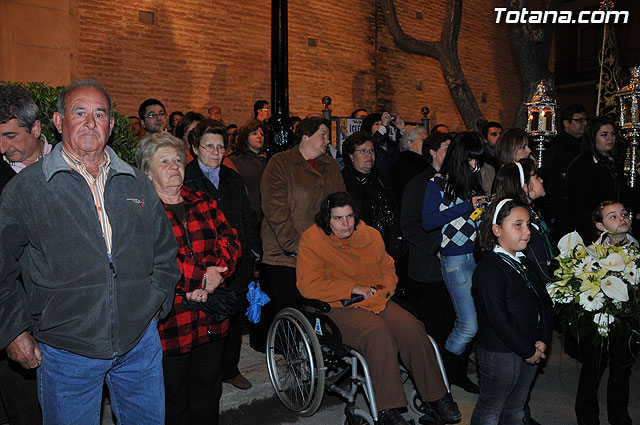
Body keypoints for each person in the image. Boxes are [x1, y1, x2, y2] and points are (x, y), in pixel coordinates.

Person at [0, 79, 181, 423]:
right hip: (67, 350)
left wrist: (156, 302)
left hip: (139, 346)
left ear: (111, 126)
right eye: (79, 112)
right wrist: (12, 330)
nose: (90, 122)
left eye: (100, 114)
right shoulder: (27, 189)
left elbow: (164, 252)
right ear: (58, 122)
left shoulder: (135, 181)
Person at [297, 191, 461, 425]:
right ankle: (388, 409)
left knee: (412, 327)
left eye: (350, 217)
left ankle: (437, 397)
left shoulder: (370, 235)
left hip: (376, 299)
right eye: (338, 218)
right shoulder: (312, 239)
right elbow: (308, 285)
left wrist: (384, 289)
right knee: (378, 333)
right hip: (336, 306)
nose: (346, 224)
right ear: (326, 219)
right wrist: (352, 288)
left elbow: (388, 268)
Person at [136, 132, 241, 424]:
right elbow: (155, 259)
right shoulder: (141, 210)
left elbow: (231, 240)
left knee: (208, 393)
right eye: (165, 161)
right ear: (147, 171)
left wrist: (217, 274)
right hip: (171, 320)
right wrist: (201, 279)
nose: (175, 166)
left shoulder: (203, 201)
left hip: (211, 317)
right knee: (173, 398)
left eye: (179, 160)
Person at [184, 120, 262, 391]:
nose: (216, 152)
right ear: (195, 148)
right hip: (203, 265)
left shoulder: (233, 178)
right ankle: (205, 375)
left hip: (236, 261)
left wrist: (253, 253)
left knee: (233, 317)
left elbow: (247, 217)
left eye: (220, 147)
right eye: (209, 146)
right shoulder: (185, 178)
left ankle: (230, 369)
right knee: (204, 320)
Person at [471, 198, 553, 424]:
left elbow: (544, 303)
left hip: (531, 346)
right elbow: (498, 317)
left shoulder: (525, 261)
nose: (527, 231)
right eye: (518, 225)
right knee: (491, 409)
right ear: (497, 229)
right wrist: (527, 349)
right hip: (501, 352)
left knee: (516, 406)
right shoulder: (489, 269)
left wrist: (543, 339)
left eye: (528, 224)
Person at [422, 131, 487, 393]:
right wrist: (467, 206)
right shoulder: (437, 183)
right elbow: (428, 222)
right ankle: (441, 378)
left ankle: (455, 374)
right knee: (468, 324)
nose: (475, 164)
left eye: (477, 160)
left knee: (474, 323)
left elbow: (476, 219)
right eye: (471, 159)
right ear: (461, 157)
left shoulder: (474, 181)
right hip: (455, 258)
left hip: (478, 256)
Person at [260, 116, 345, 314]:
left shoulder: (331, 165)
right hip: (285, 255)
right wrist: (295, 245)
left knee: (319, 309)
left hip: (323, 251)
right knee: (290, 311)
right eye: (322, 135)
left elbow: (342, 202)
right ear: (306, 135)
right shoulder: (281, 162)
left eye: (328, 136)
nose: (327, 141)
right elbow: (275, 208)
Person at [0, 84, 47, 424]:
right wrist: (13, 329)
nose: (3, 147)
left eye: (11, 136)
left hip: (69, 324)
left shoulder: (72, 163)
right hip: (13, 320)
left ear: (37, 128)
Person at [573, 200, 639, 425]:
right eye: (613, 216)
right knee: (592, 370)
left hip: (627, 323)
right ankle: (587, 416)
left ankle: (619, 415)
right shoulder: (591, 253)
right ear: (600, 226)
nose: (622, 218)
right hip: (599, 322)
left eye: (624, 213)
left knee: (622, 371)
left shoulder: (637, 248)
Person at [400, 131, 454, 349]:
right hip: (428, 267)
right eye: (446, 147)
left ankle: (451, 372)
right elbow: (409, 226)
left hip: (456, 264)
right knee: (432, 326)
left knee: (452, 322)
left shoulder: (455, 181)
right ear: (432, 152)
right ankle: (433, 373)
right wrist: (436, 248)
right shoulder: (418, 184)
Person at [566, 116, 628, 244]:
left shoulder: (612, 162)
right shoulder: (582, 165)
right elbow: (581, 203)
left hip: (613, 226)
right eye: (604, 135)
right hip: (593, 231)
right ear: (593, 138)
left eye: (613, 134)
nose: (610, 138)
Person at [341, 131, 403, 258]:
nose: (369, 155)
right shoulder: (344, 180)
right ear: (351, 155)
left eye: (371, 150)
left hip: (387, 245)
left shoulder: (380, 177)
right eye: (363, 151)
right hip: (359, 247)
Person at [495, 159, 558, 282]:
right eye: (536, 177)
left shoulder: (531, 214)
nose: (541, 180)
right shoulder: (523, 226)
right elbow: (538, 269)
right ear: (525, 187)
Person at [229, 119, 267, 223]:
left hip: (266, 216)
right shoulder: (235, 161)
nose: (259, 136)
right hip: (247, 216)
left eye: (262, 134)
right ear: (245, 137)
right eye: (254, 133)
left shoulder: (268, 161)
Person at [388, 125, 428, 204]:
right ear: (410, 143)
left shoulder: (425, 163)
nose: (427, 144)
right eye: (422, 140)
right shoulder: (402, 166)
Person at [360, 112, 405, 176]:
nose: (380, 126)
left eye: (381, 123)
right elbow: (373, 143)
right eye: (377, 124)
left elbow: (406, 149)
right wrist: (383, 126)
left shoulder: (391, 144)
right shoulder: (365, 144)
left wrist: (402, 129)